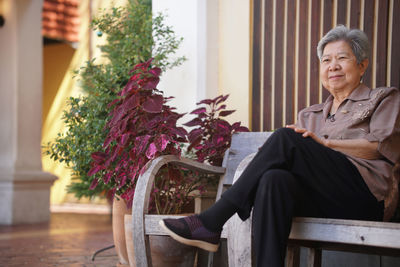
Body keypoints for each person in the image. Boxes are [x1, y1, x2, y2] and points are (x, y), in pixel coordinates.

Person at [159, 25, 400, 267]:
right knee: (274, 179)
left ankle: (213, 219)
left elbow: (379, 146)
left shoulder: (383, 98)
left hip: (364, 199)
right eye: (326, 60)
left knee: (286, 137)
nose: (332, 66)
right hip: (322, 201)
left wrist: (325, 143)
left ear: (362, 65)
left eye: (342, 58)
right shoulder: (310, 115)